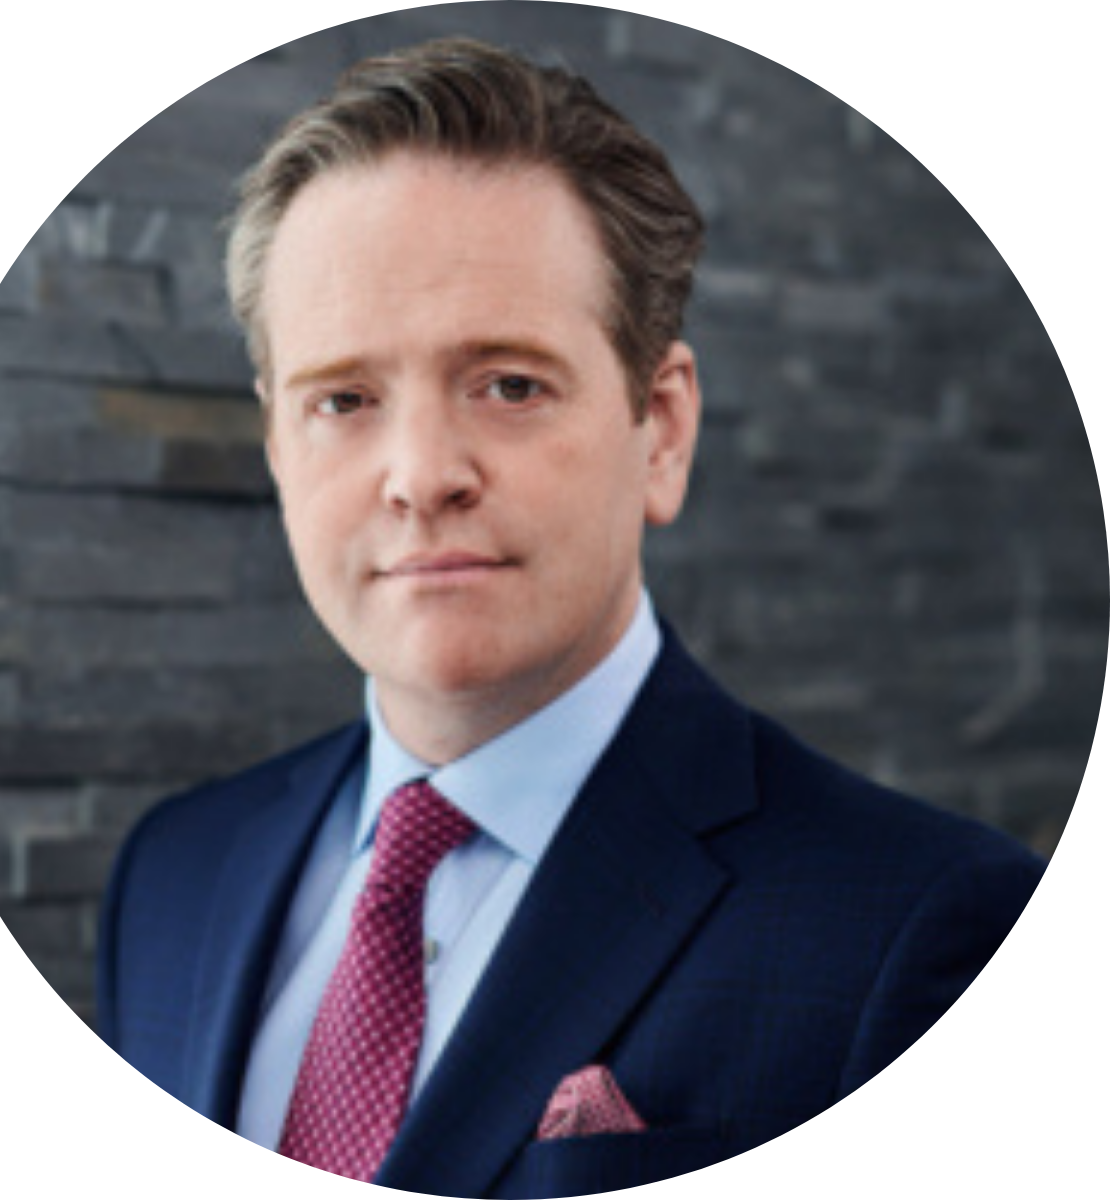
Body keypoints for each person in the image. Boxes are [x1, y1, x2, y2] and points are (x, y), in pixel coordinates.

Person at [98, 37, 1044, 1198]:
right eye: (343, 399)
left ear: (664, 428)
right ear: (278, 445)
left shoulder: (927, 935)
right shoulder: (171, 876)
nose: (421, 474)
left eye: (508, 384)